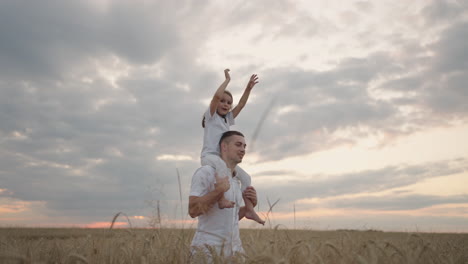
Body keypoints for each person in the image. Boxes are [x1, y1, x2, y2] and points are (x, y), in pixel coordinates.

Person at [200, 68, 264, 225]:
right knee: (222, 168)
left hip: (223, 159)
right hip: (209, 157)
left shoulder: (227, 120)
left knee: (246, 178)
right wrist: (227, 80)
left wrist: (248, 88)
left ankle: (249, 209)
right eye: (223, 101)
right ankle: (221, 199)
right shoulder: (211, 117)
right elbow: (216, 96)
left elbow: (241, 105)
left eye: (229, 103)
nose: (226, 104)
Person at [189, 130, 259, 261]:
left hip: (235, 252)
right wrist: (218, 191)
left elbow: (230, 218)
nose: (243, 149)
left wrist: (249, 207)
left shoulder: (237, 180)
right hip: (206, 252)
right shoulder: (206, 172)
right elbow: (193, 210)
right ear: (224, 146)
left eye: (244, 146)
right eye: (238, 145)